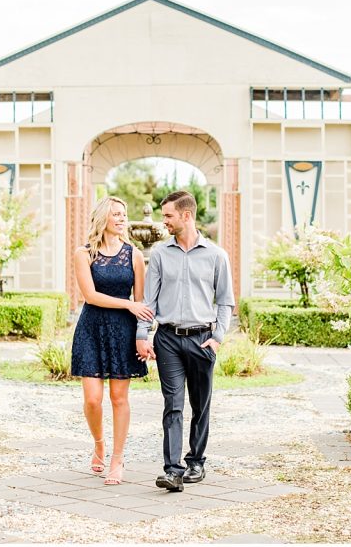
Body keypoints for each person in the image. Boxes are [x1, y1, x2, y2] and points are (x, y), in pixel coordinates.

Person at [136, 190, 235, 492]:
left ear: (186, 215)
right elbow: (148, 300)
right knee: (173, 405)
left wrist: (217, 338)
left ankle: (196, 462)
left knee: (200, 404)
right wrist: (143, 334)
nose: (163, 221)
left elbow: (226, 302)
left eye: (168, 216)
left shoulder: (217, 255)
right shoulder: (161, 255)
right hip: (168, 339)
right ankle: (172, 470)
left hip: (203, 339)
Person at [70, 196, 155, 485]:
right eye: (116, 214)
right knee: (93, 399)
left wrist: (142, 334)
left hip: (123, 331)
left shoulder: (135, 255)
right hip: (91, 328)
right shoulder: (84, 253)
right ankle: (99, 443)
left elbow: (141, 302)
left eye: (124, 214)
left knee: (119, 398)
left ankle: (117, 460)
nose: (121, 219)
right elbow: (89, 296)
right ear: (103, 218)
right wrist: (128, 305)